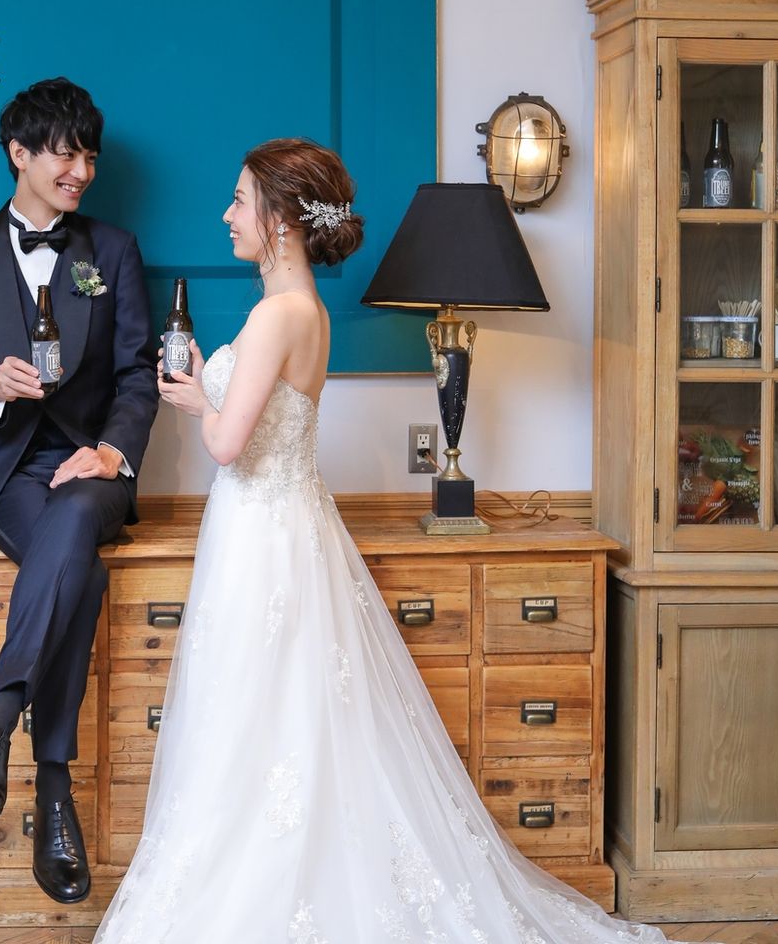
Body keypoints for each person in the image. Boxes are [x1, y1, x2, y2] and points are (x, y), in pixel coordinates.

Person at [93, 138, 674, 943]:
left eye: (239, 200)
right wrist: (209, 389)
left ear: (281, 219)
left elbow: (226, 446)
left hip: (262, 537)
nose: (228, 214)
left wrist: (195, 400)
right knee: (290, 715)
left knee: (255, 715)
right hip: (285, 526)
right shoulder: (309, 311)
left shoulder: (275, 316)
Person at [0, 77, 159, 905]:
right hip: (7, 476)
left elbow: (138, 375)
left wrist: (110, 451)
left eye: (90, 155)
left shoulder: (113, 251)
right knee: (78, 571)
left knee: (80, 517)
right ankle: (53, 789)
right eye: (66, 153)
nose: (82, 171)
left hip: (90, 469)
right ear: (19, 154)